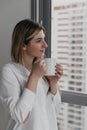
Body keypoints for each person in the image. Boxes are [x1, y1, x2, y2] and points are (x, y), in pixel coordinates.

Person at [0, 19, 63, 130]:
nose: (45, 45)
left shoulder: (43, 70)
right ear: (23, 45)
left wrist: (53, 84)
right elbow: (21, 116)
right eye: (39, 40)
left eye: (44, 39)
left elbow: (55, 111)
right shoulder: (9, 72)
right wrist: (34, 76)